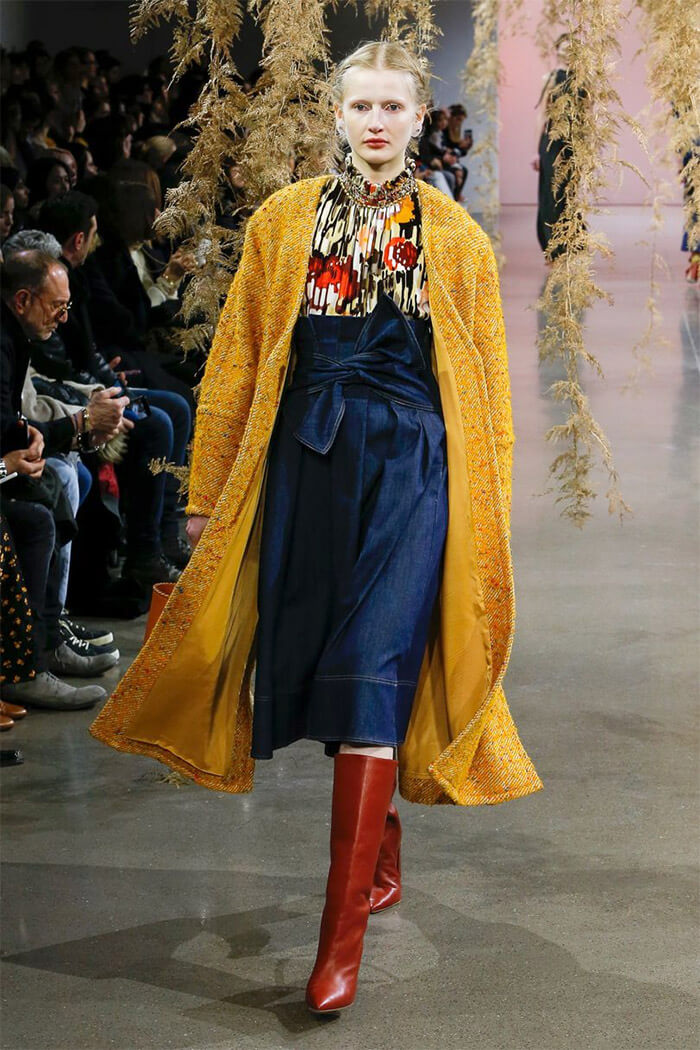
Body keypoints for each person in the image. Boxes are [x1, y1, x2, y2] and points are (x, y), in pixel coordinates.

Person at [90, 40, 542, 1016]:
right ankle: (379, 846)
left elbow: (488, 386)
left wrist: (488, 510)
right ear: (337, 115)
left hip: (413, 471)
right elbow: (240, 358)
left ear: (416, 118)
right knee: (326, 664)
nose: (376, 121)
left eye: (393, 106)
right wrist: (206, 491)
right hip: (306, 467)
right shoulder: (284, 221)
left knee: (372, 663)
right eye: (360, 105)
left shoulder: (455, 237)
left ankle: (338, 948)